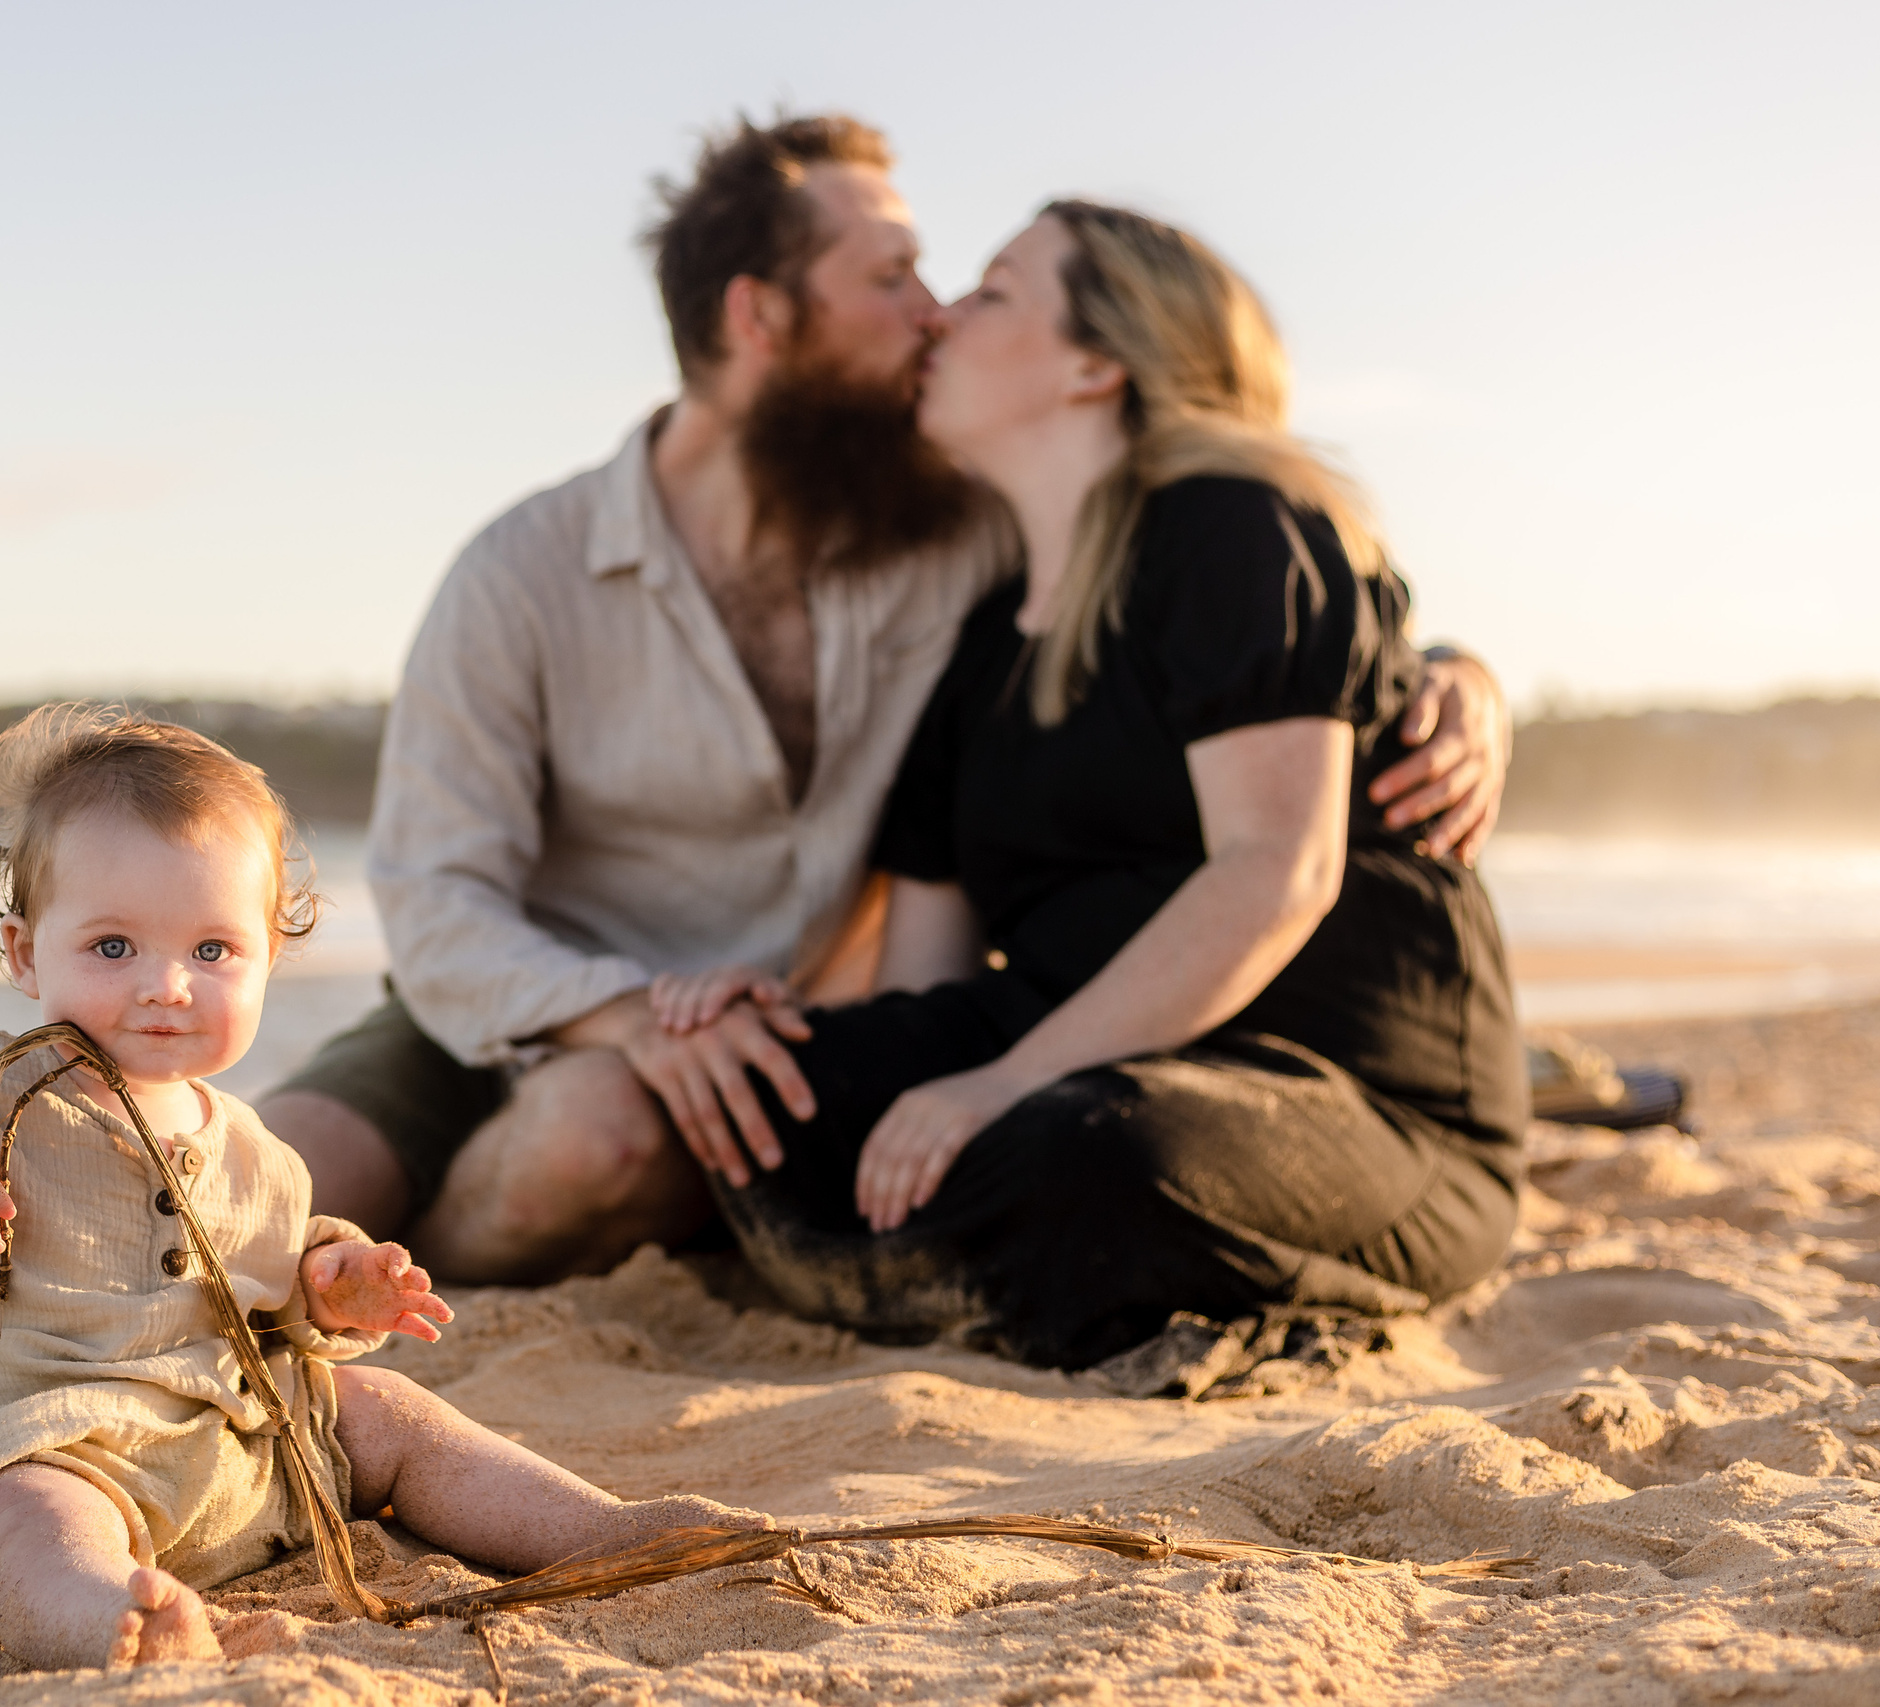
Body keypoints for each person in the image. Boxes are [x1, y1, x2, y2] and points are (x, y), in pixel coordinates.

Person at [263, 114, 1513, 1287]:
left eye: (962, 287)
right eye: (894, 281)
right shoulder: (523, 573)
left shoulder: (960, 544)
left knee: (611, 1143)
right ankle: (285, 1265)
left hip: (746, 1056)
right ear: (761, 317)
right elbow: (431, 900)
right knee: (258, 1179)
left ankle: (381, 1296)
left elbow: (1253, 602)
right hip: (526, 1001)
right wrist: (632, 1014)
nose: (933, 314)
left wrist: (1462, 678)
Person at [659, 202, 1527, 1369]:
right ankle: (977, 1265)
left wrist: (1001, 1083)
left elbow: (1278, 871)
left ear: (1094, 362)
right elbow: (931, 986)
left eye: (995, 290)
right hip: (1106, 1062)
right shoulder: (977, 646)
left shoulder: (1232, 531)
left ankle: (962, 1270)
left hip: (1350, 1102)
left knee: (1094, 1152)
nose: (945, 316)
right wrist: (780, 1022)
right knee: (788, 1095)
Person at [0, 706, 755, 1670]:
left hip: (232, 1457)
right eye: (113, 947)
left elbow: (265, 1295)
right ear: (24, 952)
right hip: (37, 1448)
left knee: (384, 1410)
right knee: (15, 1527)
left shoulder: (255, 1150)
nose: (167, 985)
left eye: (211, 951)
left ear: (270, 956)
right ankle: (112, 1620)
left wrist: (331, 1286)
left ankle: (597, 1530)